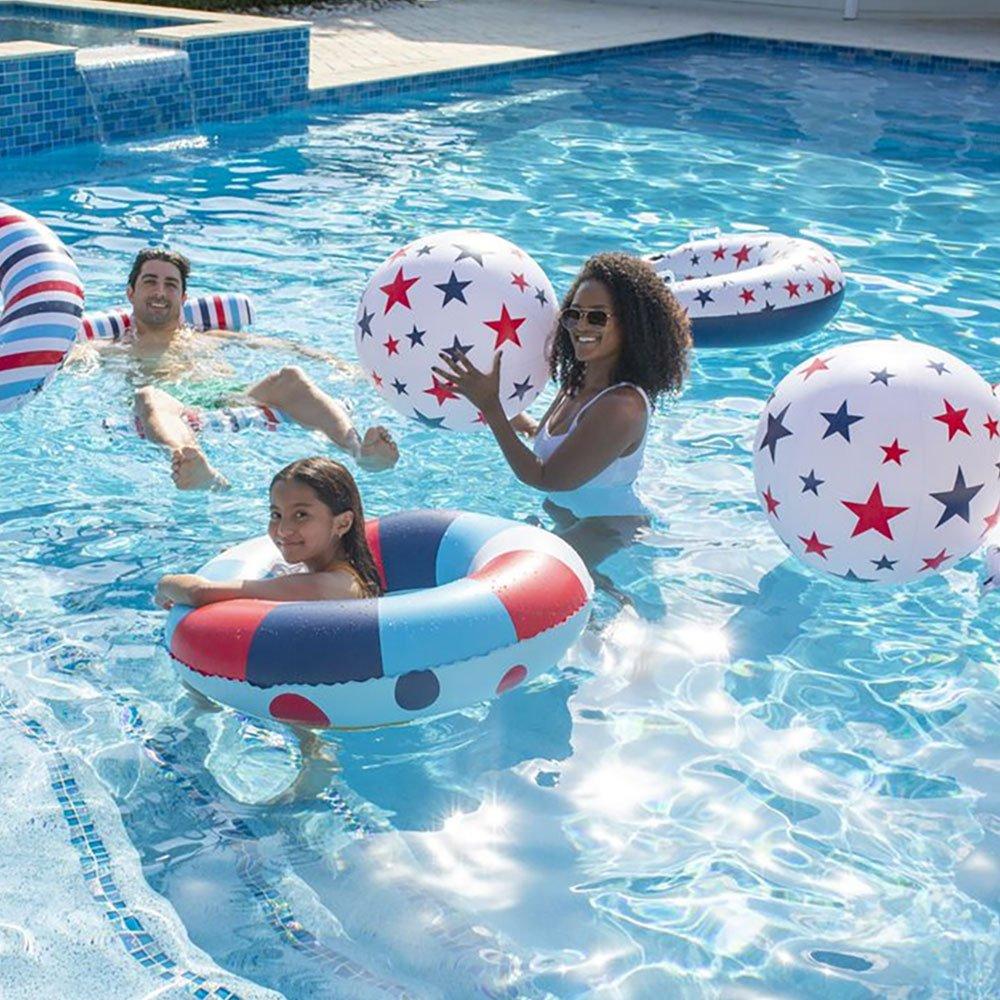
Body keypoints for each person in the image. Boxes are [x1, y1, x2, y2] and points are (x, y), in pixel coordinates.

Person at [433, 251, 691, 574]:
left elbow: (546, 477)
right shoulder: (579, 381)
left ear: (631, 327)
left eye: (597, 317)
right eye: (574, 314)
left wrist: (491, 407)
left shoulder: (622, 407)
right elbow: (546, 438)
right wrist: (497, 403)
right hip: (569, 516)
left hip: (607, 529)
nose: (581, 326)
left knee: (533, 579)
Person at [81, 248, 398, 489]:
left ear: (183, 296)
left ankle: (360, 451)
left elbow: (286, 347)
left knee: (290, 377)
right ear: (130, 293)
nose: (161, 292)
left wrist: (340, 364)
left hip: (225, 395)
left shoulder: (210, 337)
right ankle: (194, 464)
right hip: (169, 403)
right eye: (150, 282)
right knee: (148, 395)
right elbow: (69, 360)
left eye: (171, 285)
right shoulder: (111, 347)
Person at [155, 457, 381, 608]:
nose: (283, 530)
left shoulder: (327, 586)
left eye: (301, 515)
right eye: (276, 515)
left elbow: (199, 593)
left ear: (342, 523)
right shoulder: (339, 573)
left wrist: (165, 583)